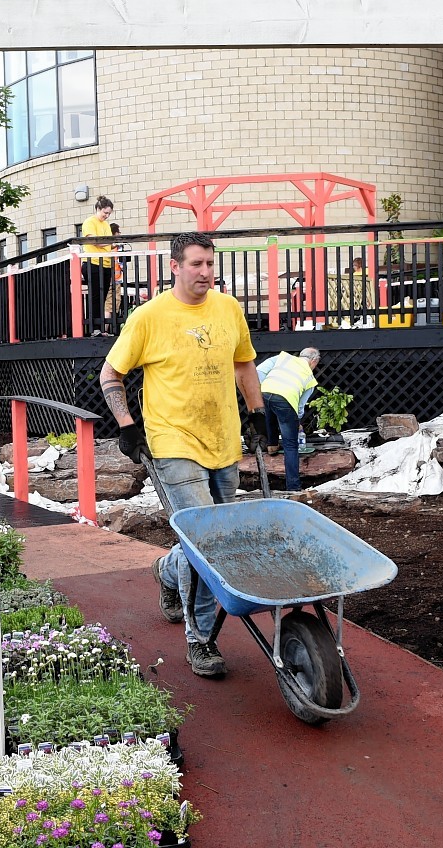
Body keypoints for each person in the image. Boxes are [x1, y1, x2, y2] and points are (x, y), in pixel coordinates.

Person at [99, 232, 266, 678]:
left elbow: (243, 362)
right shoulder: (149, 316)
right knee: (208, 543)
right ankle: (201, 640)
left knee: (216, 541)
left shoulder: (228, 309)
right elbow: (111, 373)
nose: (206, 272)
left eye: (210, 263)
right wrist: (127, 424)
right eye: (196, 264)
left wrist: (258, 410)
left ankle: (168, 570)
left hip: (224, 441)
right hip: (173, 443)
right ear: (174, 266)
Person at [257, 348, 321, 492]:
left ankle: (272, 445)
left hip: (266, 391)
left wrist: (265, 386)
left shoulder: (283, 358)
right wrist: (296, 422)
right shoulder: (310, 379)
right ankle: (293, 487)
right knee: (291, 445)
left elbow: (259, 370)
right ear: (314, 361)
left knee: (271, 412)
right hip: (285, 400)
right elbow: (299, 407)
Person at [80, 196, 115, 333]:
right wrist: (110, 243)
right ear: (98, 209)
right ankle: (94, 328)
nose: (106, 216)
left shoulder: (106, 225)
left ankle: (100, 328)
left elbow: (106, 243)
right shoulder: (89, 222)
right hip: (92, 262)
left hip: (105, 263)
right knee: (95, 296)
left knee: (103, 296)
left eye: (109, 214)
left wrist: (112, 244)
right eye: (105, 213)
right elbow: (94, 241)